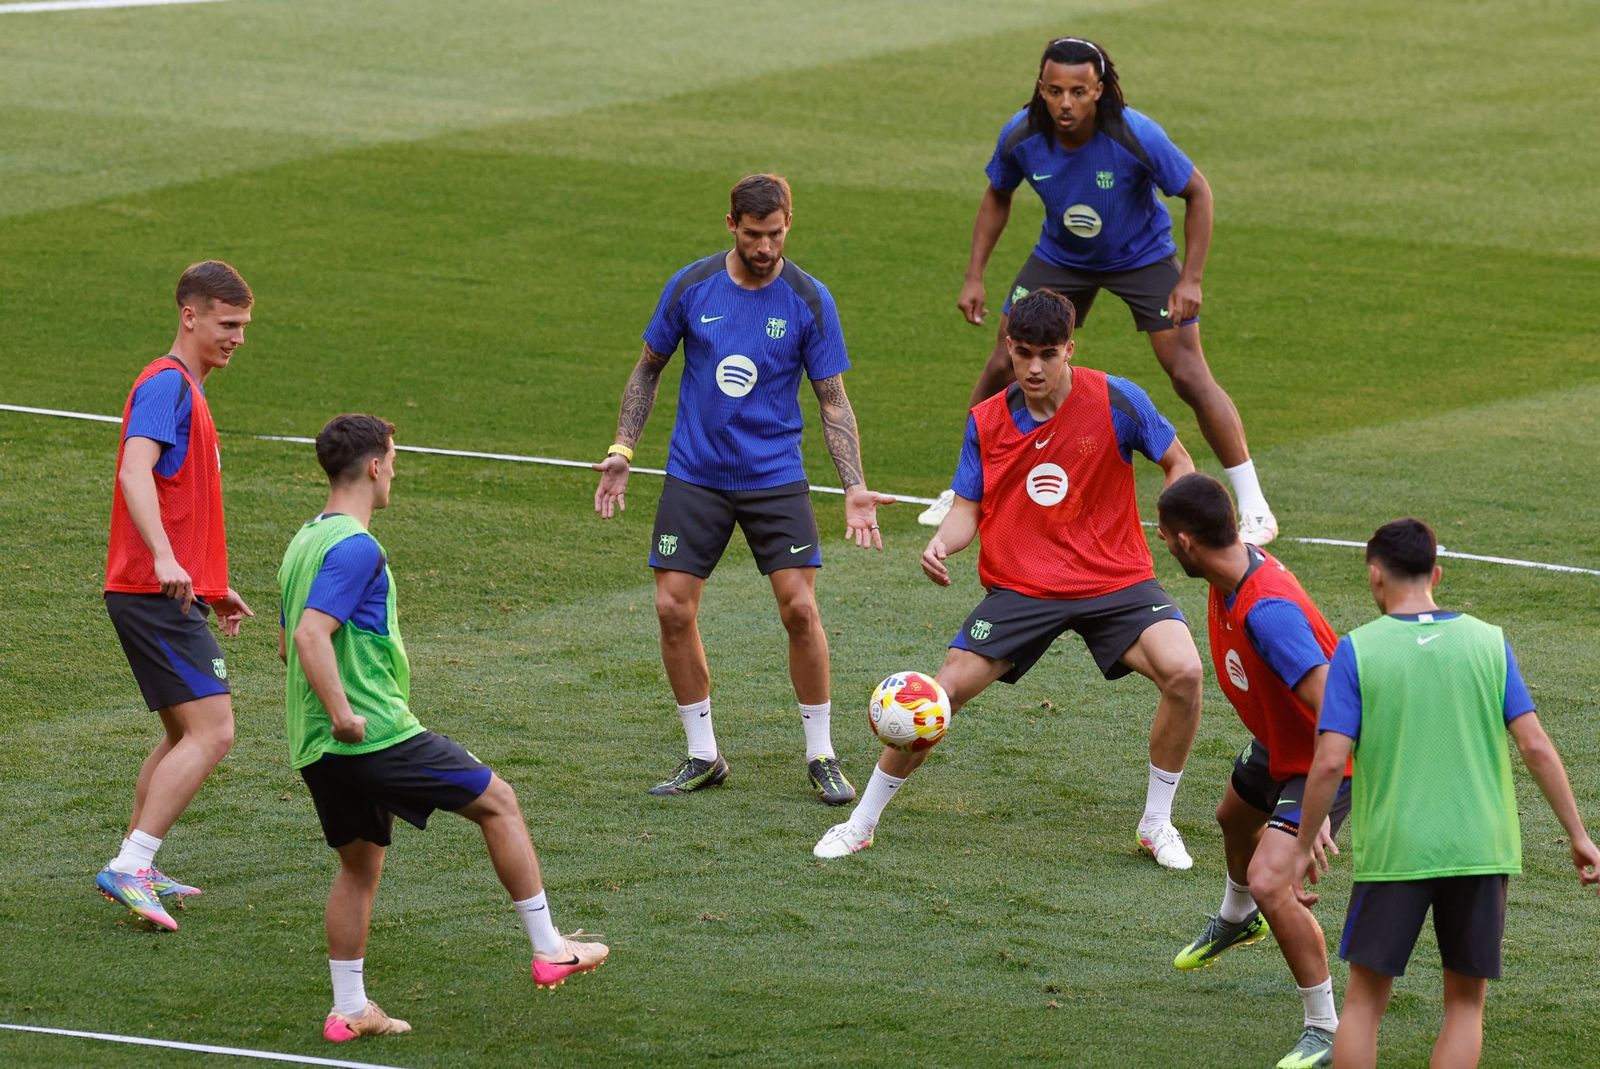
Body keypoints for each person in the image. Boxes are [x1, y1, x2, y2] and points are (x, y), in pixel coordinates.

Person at [815, 289, 1202, 867]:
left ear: (1070, 348)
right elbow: (968, 507)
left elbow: (1179, 461)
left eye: (1048, 353)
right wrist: (942, 541)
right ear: (1009, 349)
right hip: (1024, 586)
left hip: (1115, 579)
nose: (1035, 367)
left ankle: (1156, 822)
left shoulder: (1117, 399)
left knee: (1186, 673)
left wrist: (1175, 516)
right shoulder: (988, 421)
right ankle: (862, 821)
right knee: (936, 699)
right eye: (1023, 354)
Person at [280, 414, 607, 1043]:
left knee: (358, 867)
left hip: (314, 746)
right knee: (499, 802)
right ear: (374, 465)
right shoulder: (356, 546)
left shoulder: (303, 542)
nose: (395, 469)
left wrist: (329, 713)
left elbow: (287, 649)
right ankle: (550, 947)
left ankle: (351, 1008)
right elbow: (307, 635)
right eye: (393, 458)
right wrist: (348, 713)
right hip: (371, 734)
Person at [593, 173, 893, 804]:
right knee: (673, 609)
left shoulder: (809, 299)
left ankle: (822, 754)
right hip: (696, 475)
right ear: (731, 224)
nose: (765, 247)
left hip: (774, 477)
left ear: (790, 223)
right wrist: (623, 449)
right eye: (754, 235)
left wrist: (855, 486)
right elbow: (648, 370)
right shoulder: (691, 285)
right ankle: (703, 754)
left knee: (800, 610)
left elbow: (833, 402)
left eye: (776, 234)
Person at [919, 36, 1276, 547]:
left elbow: (1198, 192)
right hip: (1062, 257)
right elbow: (998, 193)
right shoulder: (1021, 136)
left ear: (1099, 90)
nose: (1066, 103)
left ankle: (1254, 505)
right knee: (1003, 362)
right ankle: (961, 493)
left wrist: (1190, 278)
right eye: (1055, 90)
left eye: (1079, 92)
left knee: (1188, 373)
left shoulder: (1135, 135)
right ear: (1040, 89)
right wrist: (974, 275)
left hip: (1142, 257)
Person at [1293, 518, 1600, 1069]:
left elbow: (1330, 760)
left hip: (1398, 851)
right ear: (1436, 573)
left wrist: (1299, 848)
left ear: (1374, 575)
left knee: (1364, 1004)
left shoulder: (1357, 650)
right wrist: (1579, 836)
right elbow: (1535, 746)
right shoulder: (1488, 642)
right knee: (1464, 1006)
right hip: (1481, 847)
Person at [1157, 473, 1349, 1069]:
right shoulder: (1235, 565)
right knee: (1234, 818)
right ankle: (1237, 920)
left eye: (1164, 537)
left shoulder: (1268, 613)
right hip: (1279, 737)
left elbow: (1341, 713)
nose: (1163, 544)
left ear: (1186, 542)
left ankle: (1326, 1027)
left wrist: (1315, 811)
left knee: (1272, 880)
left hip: (1327, 753)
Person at [98, 261, 257, 932]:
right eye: (227, 324)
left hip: (167, 589)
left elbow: (176, 495)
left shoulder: (188, 387)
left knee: (181, 731)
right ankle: (132, 863)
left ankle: (139, 861)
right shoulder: (166, 384)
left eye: (244, 327)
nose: (238, 338)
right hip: (150, 588)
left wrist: (213, 585)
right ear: (189, 316)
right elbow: (135, 469)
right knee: (213, 729)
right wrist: (164, 557)